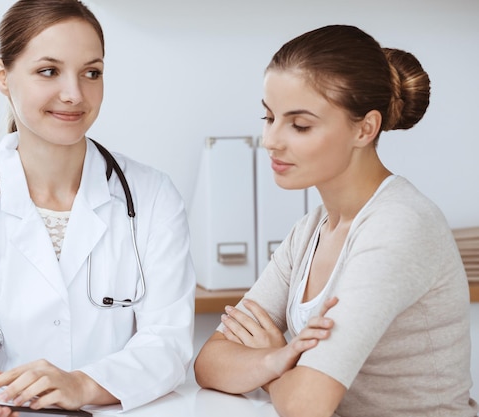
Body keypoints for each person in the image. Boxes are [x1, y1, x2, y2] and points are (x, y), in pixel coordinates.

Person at [0, 1, 195, 416]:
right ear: (2, 75)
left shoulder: (153, 196)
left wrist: (81, 384)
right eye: (48, 71)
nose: (74, 94)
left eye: (92, 73)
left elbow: (168, 344)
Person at [194, 24, 478, 417]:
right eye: (268, 116)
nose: (271, 140)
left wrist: (275, 358)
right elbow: (209, 363)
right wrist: (277, 362)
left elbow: (307, 405)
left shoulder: (399, 227)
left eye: (300, 125)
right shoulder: (309, 231)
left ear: (365, 128)